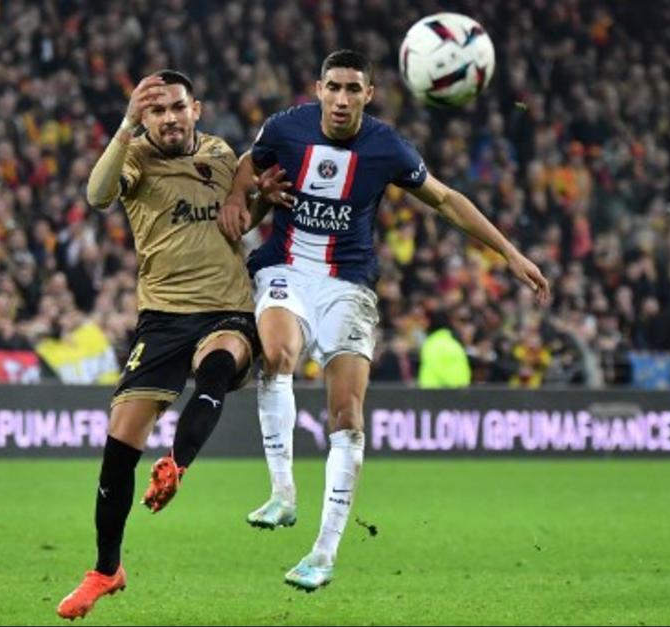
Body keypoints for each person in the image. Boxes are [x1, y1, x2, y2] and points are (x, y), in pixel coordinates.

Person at [219, 49, 551, 591]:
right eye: (334, 87)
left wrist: (510, 254)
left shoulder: (387, 146)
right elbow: (249, 162)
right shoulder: (287, 126)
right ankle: (282, 493)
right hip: (284, 269)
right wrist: (238, 192)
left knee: (346, 415)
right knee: (276, 354)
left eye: (354, 89)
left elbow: (444, 199)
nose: (343, 98)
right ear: (318, 88)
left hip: (347, 285)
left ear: (368, 95)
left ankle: (323, 555)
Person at [56, 70, 281, 620]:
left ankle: (177, 464)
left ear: (196, 108)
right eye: (156, 111)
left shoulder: (223, 154)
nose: (169, 118)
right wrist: (126, 125)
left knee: (220, 363)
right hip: (161, 317)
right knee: (118, 446)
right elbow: (97, 194)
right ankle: (106, 569)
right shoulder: (134, 155)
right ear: (145, 117)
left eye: (177, 107)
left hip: (227, 307)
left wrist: (263, 204)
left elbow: (236, 220)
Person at [418, 310, 472, 388]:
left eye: (424, 320)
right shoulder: (454, 343)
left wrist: (454, 387)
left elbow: (437, 367)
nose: (422, 323)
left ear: (430, 322)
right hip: (455, 393)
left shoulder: (433, 344)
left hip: (435, 393)